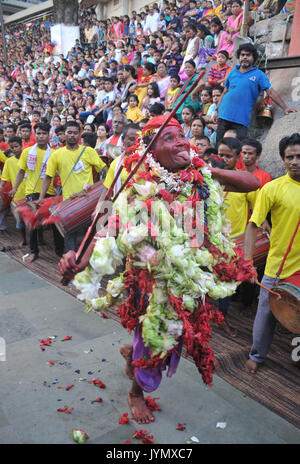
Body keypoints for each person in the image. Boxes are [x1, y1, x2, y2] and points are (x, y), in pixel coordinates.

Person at [59, 115, 260, 424]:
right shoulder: (138, 185)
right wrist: (82, 260)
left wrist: (208, 169)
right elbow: (107, 227)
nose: (179, 141)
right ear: (151, 151)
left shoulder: (200, 177)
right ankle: (136, 393)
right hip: (148, 280)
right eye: (168, 139)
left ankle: (134, 355)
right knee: (158, 339)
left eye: (181, 135)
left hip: (189, 277)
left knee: (171, 338)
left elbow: (252, 183)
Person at [244, 133, 300, 374]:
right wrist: (247, 262)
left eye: (299, 156)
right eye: (290, 157)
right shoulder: (273, 188)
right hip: (277, 267)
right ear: (283, 160)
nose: (295, 161)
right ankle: (257, 355)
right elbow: (253, 224)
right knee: (265, 315)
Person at [38, 121, 106, 253]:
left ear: (80, 134)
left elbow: (105, 169)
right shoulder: (56, 154)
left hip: (89, 202)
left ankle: (89, 262)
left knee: (91, 234)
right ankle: (72, 263)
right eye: (69, 132)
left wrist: (102, 188)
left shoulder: (88, 151)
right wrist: (41, 197)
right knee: (71, 235)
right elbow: (48, 177)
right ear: (64, 134)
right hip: (69, 201)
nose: (72, 135)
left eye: (75, 133)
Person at [213, 43, 298, 145]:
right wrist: (216, 110)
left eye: (248, 55)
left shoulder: (259, 75)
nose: (245, 57)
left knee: (238, 150)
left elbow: (270, 92)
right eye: (242, 55)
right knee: (219, 147)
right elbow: (225, 92)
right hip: (224, 115)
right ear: (239, 57)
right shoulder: (232, 72)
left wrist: (285, 108)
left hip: (241, 119)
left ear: (253, 57)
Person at [10, 122, 65, 262]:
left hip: (51, 192)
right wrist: (15, 188)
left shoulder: (55, 153)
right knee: (32, 222)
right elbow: (21, 172)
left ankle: (60, 251)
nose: (41, 136)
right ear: (35, 134)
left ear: (49, 135)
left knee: (55, 222)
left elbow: (60, 173)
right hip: (32, 192)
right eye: (38, 133)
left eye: (44, 134)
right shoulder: (27, 152)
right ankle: (34, 251)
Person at [0, 136, 26, 247]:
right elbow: (4, 179)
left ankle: (39, 240)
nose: (14, 149)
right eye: (12, 147)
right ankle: (23, 239)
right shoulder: (9, 162)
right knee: (19, 221)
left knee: (34, 220)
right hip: (17, 195)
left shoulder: (28, 158)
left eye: (16, 146)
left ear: (21, 146)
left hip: (29, 193)